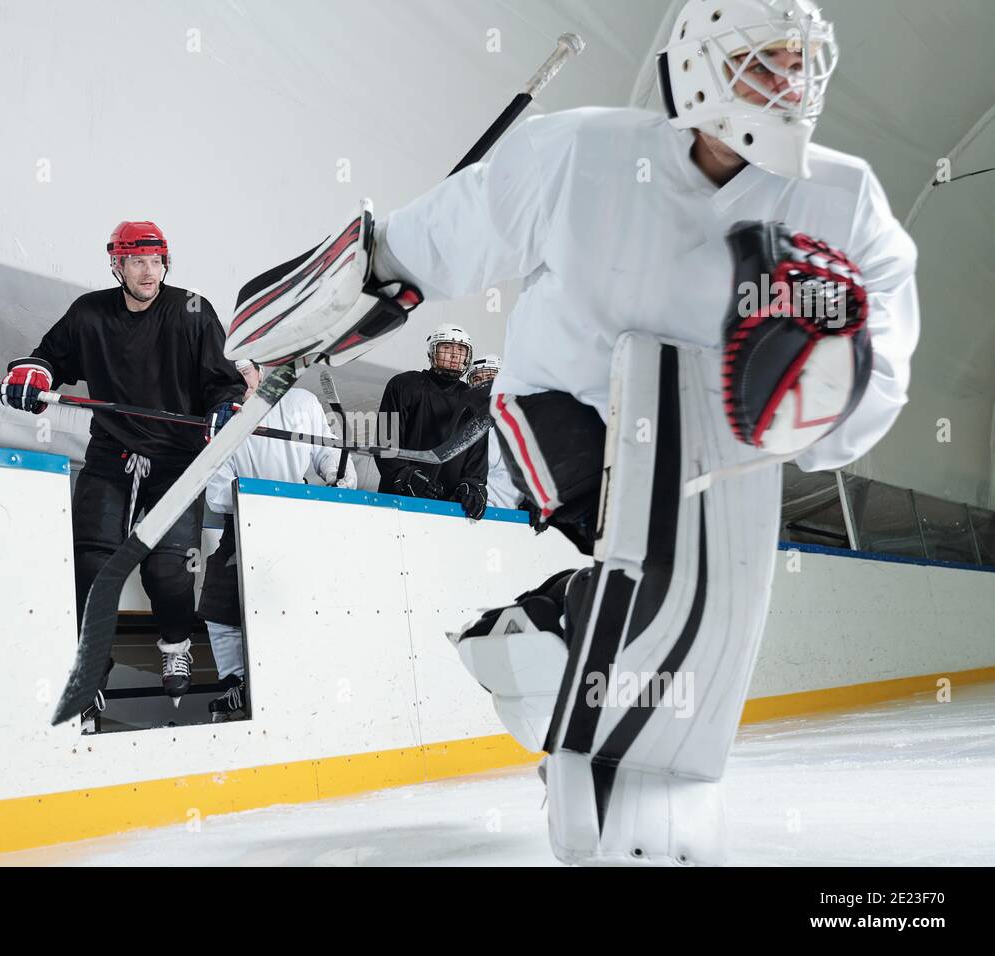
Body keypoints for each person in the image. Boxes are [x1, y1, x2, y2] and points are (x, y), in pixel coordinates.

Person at [224, 0, 918, 864]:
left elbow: (881, 359)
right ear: (700, 61)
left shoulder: (841, 197)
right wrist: (314, 307)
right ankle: (581, 721)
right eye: (762, 60)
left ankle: (531, 647)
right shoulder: (584, 153)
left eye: (800, 63)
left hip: (719, 434)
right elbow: (432, 240)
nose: (787, 83)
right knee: (662, 565)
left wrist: (825, 393)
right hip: (565, 407)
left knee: (707, 606)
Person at [0, 221, 246, 721]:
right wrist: (32, 373)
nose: (148, 271)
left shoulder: (192, 310)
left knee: (166, 570)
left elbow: (221, 381)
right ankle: (90, 671)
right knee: (92, 563)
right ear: (117, 264)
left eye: (156, 261)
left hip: (178, 461)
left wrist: (225, 407)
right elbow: (48, 359)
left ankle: (175, 641)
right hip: (111, 452)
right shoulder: (90, 313)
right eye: (137, 261)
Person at [199, 361, 356, 721]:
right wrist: (252, 496)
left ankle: (300, 679)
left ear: (262, 369)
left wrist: (338, 476)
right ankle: (236, 682)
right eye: (237, 373)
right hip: (241, 525)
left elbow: (328, 452)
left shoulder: (301, 401)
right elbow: (216, 491)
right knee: (219, 603)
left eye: (250, 370)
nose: (246, 379)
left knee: (299, 602)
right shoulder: (222, 419)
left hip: (295, 522)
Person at [375, 323, 489, 520]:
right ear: (432, 352)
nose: (454, 355)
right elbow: (386, 441)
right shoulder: (403, 385)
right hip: (398, 505)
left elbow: (477, 454)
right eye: (447, 348)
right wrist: (405, 475)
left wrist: (472, 485)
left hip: (449, 510)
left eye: (461, 350)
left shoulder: (474, 400)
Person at [466, 354, 523, 510]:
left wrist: (536, 502)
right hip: (476, 515)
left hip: (517, 520)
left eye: (491, 377)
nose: (484, 383)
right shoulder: (466, 426)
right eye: (477, 379)